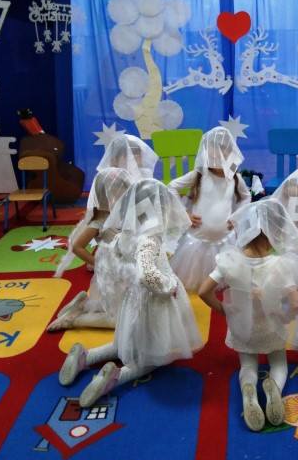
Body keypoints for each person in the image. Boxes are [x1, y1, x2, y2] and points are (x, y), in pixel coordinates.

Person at [58, 178, 204, 408]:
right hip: (155, 301)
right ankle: (118, 376)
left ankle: (87, 356)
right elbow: (147, 274)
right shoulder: (150, 238)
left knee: (124, 343)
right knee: (155, 356)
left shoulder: (124, 233)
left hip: (132, 298)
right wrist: (169, 285)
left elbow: (115, 263)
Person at [199, 198, 298, 432]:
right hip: (272, 326)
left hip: (243, 327)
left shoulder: (229, 260)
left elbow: (203, 291)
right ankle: (274, 387)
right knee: (279, 365)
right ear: (274, 232)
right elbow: (295, 303)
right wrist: (285, 319)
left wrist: (223, 310)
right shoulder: (281, 264)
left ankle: (248, 389)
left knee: (248, 366)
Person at [48, 166, 132, 331]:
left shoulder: (125, 215)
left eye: (124, 194)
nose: (122, 199)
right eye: (117, 195)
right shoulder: (99, 222)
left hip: (127, 272)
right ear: (103, 198)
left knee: (131, 311)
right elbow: (77, 246)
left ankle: (83, 304)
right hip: (112, 278)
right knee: (119, 321)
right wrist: (98, 264)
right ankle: (74, 320)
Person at [168, 126, 251, 292]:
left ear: (230, 153)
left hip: (225, 239)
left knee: (224, 279)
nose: (219, 156)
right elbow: (171, 187)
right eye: (214, 152)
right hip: (197, 241)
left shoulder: (234, 177)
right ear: (206, 152)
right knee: (194, 278)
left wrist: (237, 216)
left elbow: (246, 196)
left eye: (223, 151)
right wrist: (184, 213)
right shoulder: (200, 175)